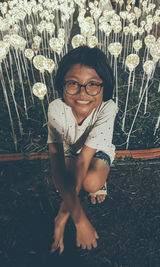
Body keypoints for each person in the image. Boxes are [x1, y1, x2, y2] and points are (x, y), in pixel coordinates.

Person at [47, 45, 117, 254]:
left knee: (91, 182)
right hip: (70, 152)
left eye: (93, 84)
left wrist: (65, 216)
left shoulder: (107, 108)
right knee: (66, 182)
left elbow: (84, 160)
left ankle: (101, 180)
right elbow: (56, 164)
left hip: (95, 152)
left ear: (105, 86)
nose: (83, 93)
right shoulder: (56, 109)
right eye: (73, 84)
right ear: (62, 85)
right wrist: (79, 219)